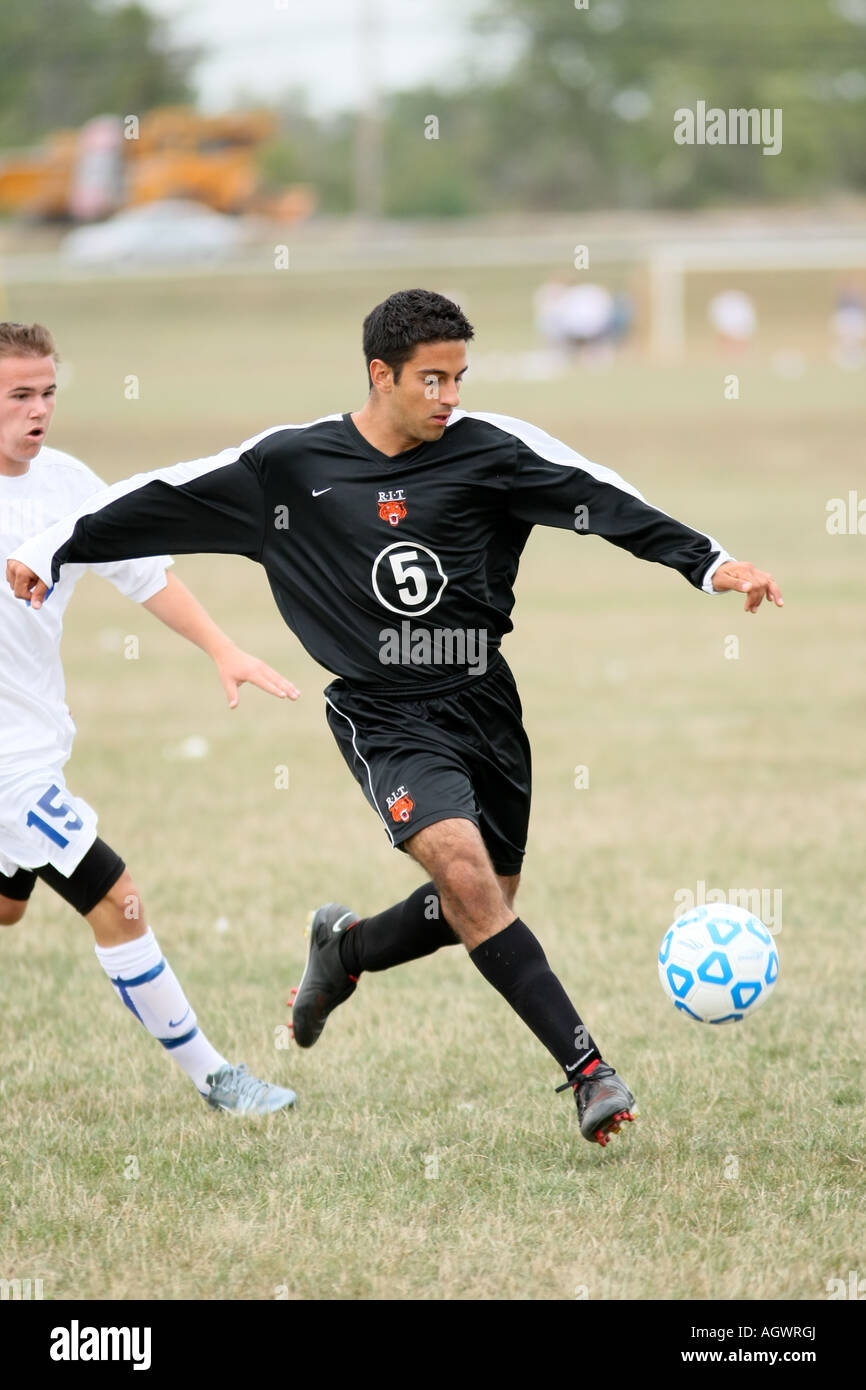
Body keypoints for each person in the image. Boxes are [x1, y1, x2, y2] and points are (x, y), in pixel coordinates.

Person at [6, 291, 783, 1146]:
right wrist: (53, 549)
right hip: (381, 711)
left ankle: (343, 952)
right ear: (381, 375)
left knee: (482, 901)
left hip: (484, 699)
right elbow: (159, 496)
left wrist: (709, 563)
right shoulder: (291, 467)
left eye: (458, 377)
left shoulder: (492, 450)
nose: (449, 396)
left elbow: (606, 500)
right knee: (466, 877)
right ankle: (590, 1072)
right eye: (431, 379)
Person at [0, 321, 298, 1115]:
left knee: (7, 906)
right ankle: (217, 1079)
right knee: (118, 897)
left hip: (36, 745)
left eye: (48, 393)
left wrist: (222, 648)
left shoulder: (66, 485)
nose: (39, 411)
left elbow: (142, 573)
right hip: (6, 770)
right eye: (18, 395)